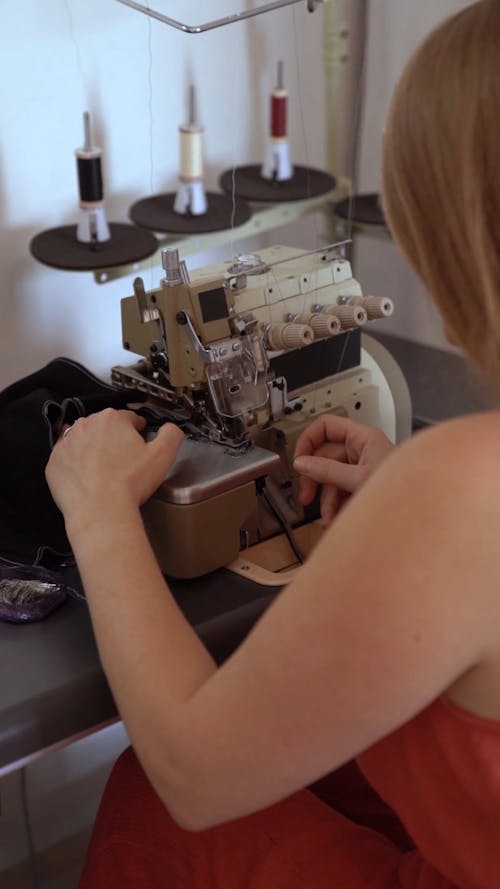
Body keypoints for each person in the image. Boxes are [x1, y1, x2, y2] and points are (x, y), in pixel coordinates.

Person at [45, 2, 500, 886]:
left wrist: (98, 515)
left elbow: (192, 771)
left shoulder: (465, 485)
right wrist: (413, 523)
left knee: (146, 790)